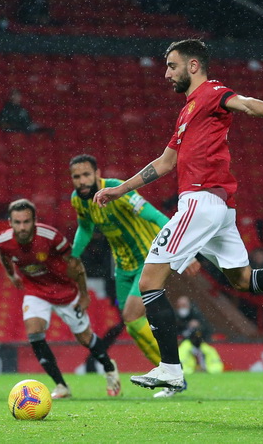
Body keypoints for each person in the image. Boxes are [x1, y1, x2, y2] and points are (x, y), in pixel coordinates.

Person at [94, 38, 263, 392]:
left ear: (193, 66)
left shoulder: (211, 91)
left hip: (200, 200)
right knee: (242, 279)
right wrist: (119, 189)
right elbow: (165, 162)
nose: (166, 73)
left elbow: (246, 104)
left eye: (172, 65)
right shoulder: (188, 111)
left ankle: (171, 368)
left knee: (148, 283)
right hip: (218, 208)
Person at [70, 154, 200, 371]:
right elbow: (85, 228)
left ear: (97, 174)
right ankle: (168, 373)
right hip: (122, 267)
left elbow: (156, 217)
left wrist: (184, 252)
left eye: (86, 175)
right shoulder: (78, 200)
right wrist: (73, 256)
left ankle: (176, 366)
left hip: (148, 259)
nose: (82, 181)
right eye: (76, 177)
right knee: (131, 324)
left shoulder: (118, 191)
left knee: (132, 314)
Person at [0, 198, 121, 399]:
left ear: (34, 221)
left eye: (26, 222)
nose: (22, 227)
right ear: (10, 223)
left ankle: (109, 367)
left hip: (65, 291)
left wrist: (84, 294)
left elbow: (75, 263)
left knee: (85, 338)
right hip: (35, 290)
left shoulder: (50, 236)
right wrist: (12, 275)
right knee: (34, 333)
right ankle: (61, 386)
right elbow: (3, 255)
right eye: (17, 222)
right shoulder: (3, 241)